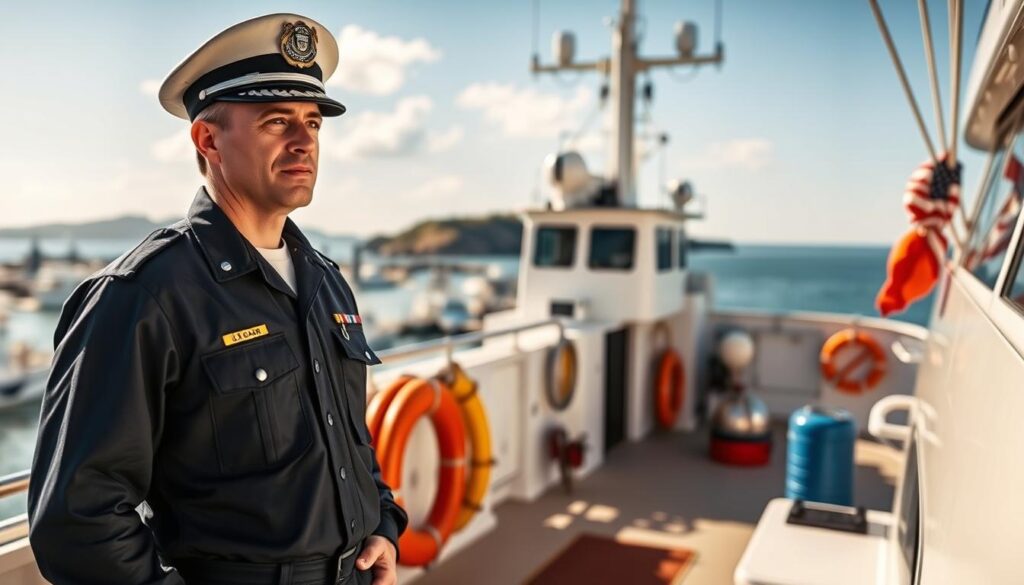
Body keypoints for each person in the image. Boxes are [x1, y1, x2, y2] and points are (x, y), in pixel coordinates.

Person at [27, 13, 408, 585]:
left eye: (313, 122)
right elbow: (76, 520)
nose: (304, 141)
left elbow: (346, 435)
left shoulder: (327, 280)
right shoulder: (144, 294)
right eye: (277, 122)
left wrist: (380, 522)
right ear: (208, 139)